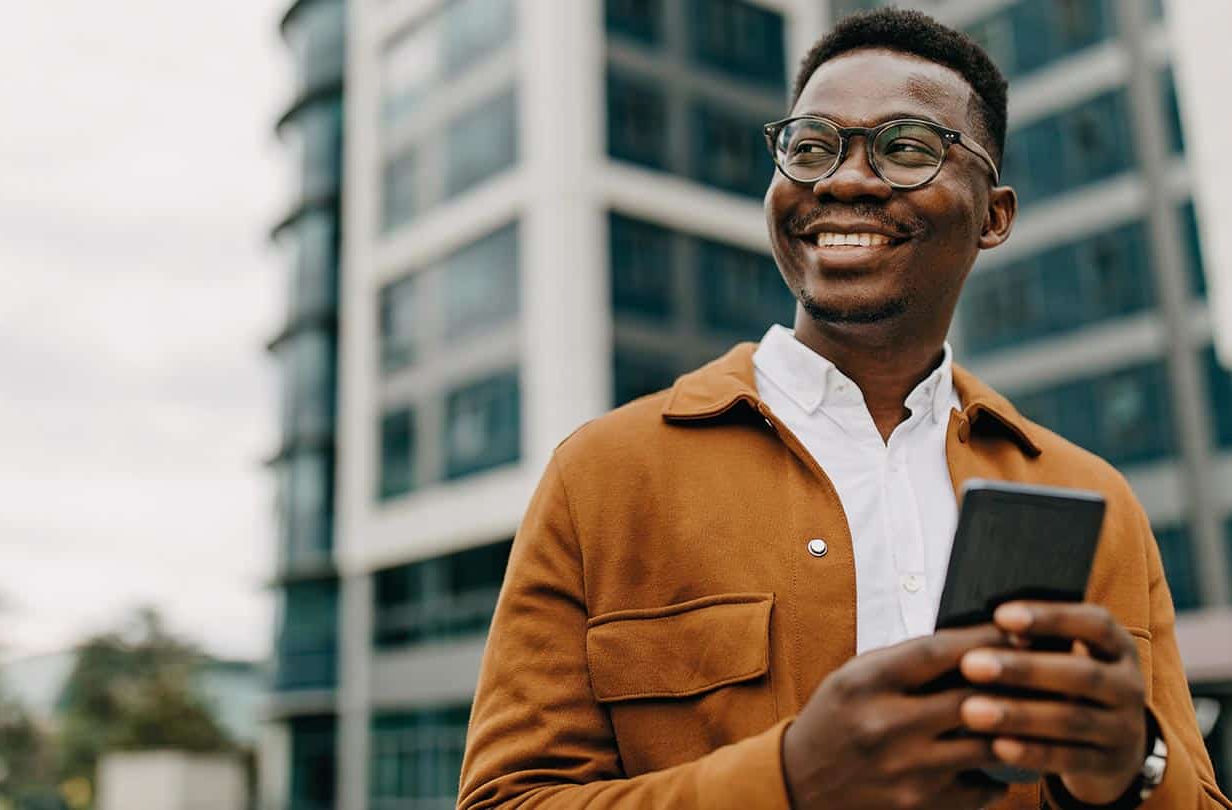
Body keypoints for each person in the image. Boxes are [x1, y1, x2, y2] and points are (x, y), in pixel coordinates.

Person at [457, 9, 1230, 810]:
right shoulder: (604, 477)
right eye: (811, 147)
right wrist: (788, 781)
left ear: (994, 216)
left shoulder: (1094, 500)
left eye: (904, 148)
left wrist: (1127, 769)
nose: (844, 180)